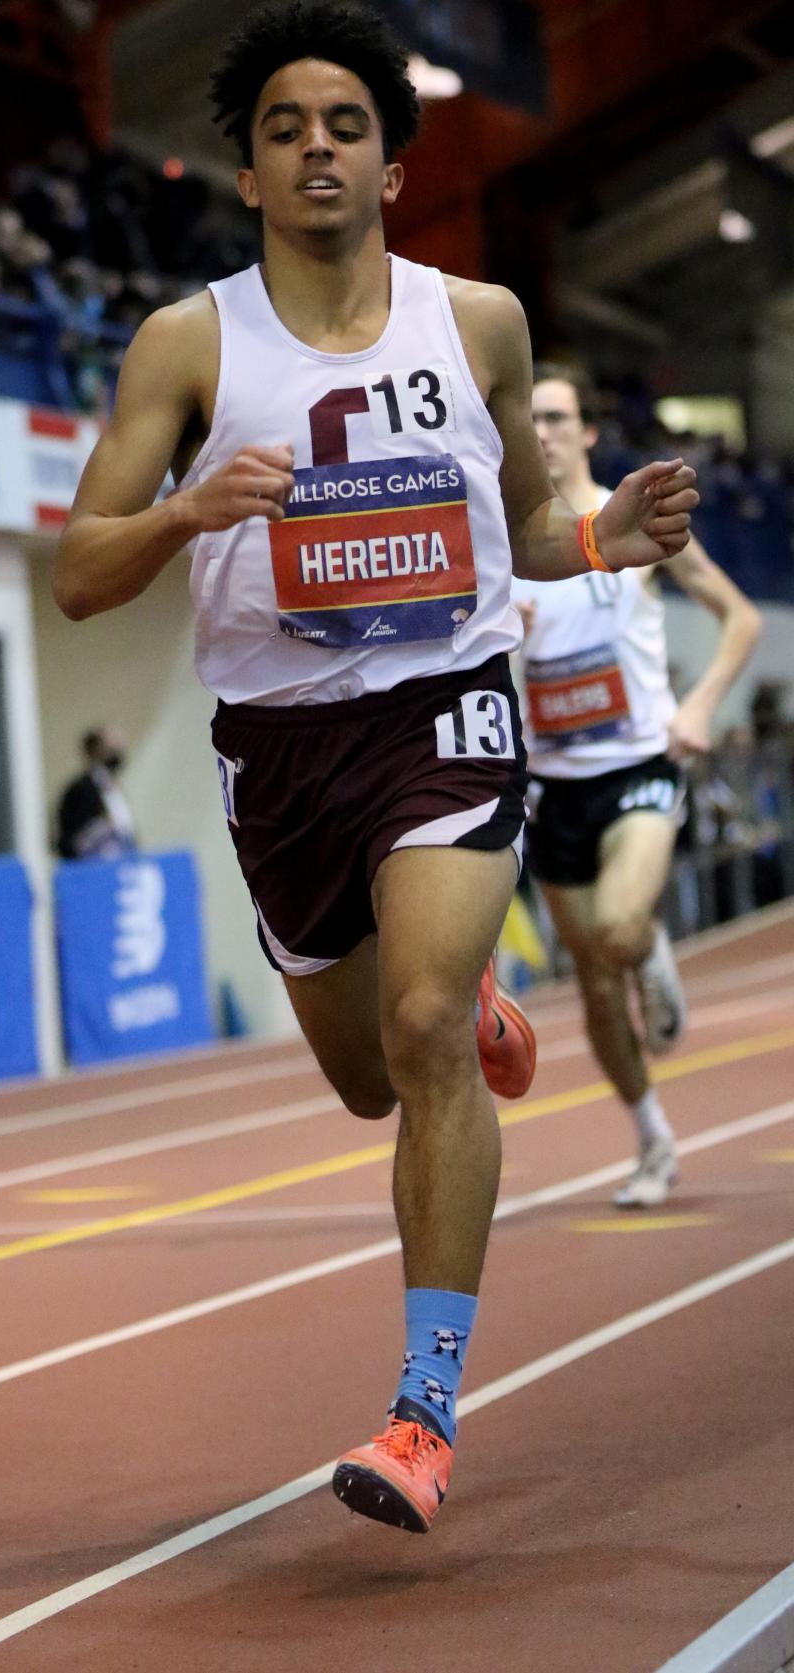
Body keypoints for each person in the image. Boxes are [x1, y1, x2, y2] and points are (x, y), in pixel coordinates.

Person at [53, 0, 698, 1533]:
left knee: (416, 1031)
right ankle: (462, 990)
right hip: (280, 751)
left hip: (444, 706)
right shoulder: (188, 344)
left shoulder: (476, 322)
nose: (319, 148)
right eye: (286, 130)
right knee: (367, 1079)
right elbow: (80, 572)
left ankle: (423, 1411)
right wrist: (187, 514)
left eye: (347, 125)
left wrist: (611, 536)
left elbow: (532, 533)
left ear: (393, 168)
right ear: (249, 175)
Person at [512, 364, 760, 1208]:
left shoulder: (638, 522)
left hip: (639, 768)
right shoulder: (507, 545)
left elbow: (743, 616)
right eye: (528, 415)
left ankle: (650, 943)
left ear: (585, 431)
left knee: (618, 932)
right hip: (553, 791)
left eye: (556, 415)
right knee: (591, 983)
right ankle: (652, 1135)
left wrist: (698, 702)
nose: (539, 428)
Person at [55, 726, 137, 859]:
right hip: (97, 865)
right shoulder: (81, 790)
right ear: (94, 751)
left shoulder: (113, 787)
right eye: (110, 748)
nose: (116, 751)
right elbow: (70, 840)